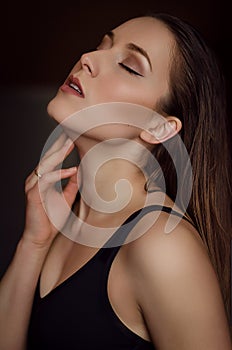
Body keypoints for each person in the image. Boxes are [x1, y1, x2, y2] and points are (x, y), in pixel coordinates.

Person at [0, 12, 231, 350]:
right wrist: (33, 244)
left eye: (129, 66)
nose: (87, 59)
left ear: (159, 128)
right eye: (100, 46)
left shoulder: (162, 246)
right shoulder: (64, 218)